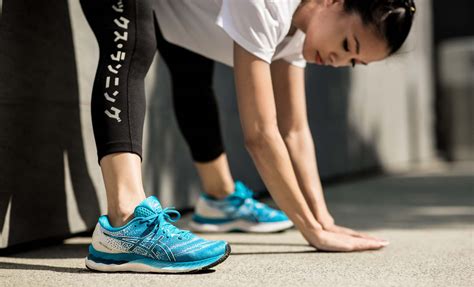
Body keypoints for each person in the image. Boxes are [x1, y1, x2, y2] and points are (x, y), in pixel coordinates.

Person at [79, 0, 416, 273]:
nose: (340, 61)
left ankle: (220, 200)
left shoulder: (301, 33)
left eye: (354, 62)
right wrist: (311, 232)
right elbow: (260, 134)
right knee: (134, 43)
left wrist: (324, 220)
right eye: (347, 45)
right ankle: (123, 222)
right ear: (333, 1)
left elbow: (295, 131)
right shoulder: (270, 5)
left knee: (192, 71)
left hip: (174, 13)